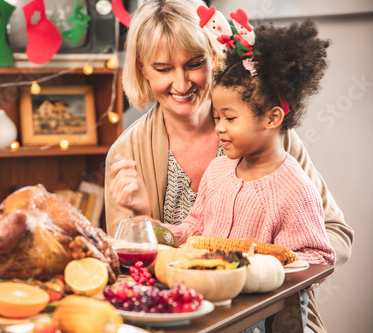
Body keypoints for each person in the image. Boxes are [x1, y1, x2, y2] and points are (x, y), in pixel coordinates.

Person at [105, 1, 353, 332]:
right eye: (163, 69)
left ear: (213, 55)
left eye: (194, 64)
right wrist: (143, 220)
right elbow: (126, 275)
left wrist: (260, 269)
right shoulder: (127, 153)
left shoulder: (266, 132)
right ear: (142, 69)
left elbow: (334, 235)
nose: (181, 84)